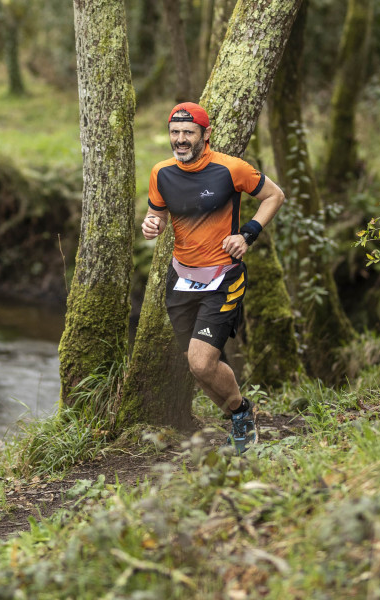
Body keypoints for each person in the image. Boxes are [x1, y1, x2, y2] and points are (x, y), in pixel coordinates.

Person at [141, 102, 285, 454]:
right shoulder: (161, 173)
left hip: (223, 278)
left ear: (205, 135)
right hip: (180, 280)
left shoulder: (230, 168)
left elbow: (274, 195)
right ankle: (236, 412)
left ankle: (241, 413)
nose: (180, 139)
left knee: (201, 361)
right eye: (175, 132)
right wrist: (151, 224)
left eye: (188, 133)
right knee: (198, 366)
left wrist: (247, 233)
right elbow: (156, 214)